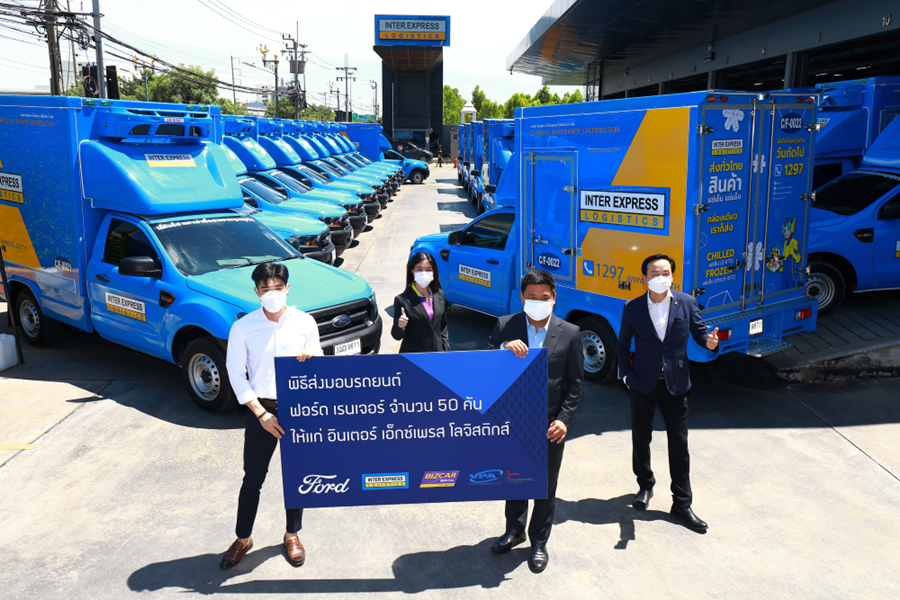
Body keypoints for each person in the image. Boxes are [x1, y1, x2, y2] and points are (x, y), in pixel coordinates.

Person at [220, 263, 323, 569]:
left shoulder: (305, 322)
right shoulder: (243, 327)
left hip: (298, 409)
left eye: (278, 287)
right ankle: (243, 538)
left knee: (297, 476)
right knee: (253, 478)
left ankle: (292, 534)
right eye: (266, 288)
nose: (272, 293)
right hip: (261, 411)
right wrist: (261, 414)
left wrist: (311, 358)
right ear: (257, 292)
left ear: (287, 288)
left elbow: (318, 358)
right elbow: (235, 374)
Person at [487, 269, 583, 573]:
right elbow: (483, 366)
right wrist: (502, 349)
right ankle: (514, 531)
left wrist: (564, 420)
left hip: (550, 425)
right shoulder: (506, 325)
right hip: (513, 422)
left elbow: (575, 383)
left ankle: (538, 541)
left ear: (553, 299)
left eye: (544, 297)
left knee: (544, 485)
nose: (538, 302)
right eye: (532, 297)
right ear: (522, 297)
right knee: (514, 478)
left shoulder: (570, 332)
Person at [616, 254, 719, 533]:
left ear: (672, 276)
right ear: (644, 278)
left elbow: (700, 334)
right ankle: (645, 485)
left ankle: (682, 503)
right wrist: (625, 375)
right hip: (642, 383)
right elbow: (622, 345)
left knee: (679, 444)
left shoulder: (686, 302)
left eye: (666, 273)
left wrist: (710, 342)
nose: (661, 277)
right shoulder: (633, 307)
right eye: (655, 273)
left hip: (676, 384)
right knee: (641, 438)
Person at [391, 252, 449, 353]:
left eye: (428, 269)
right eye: (419, 269)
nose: (424, 273)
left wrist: (445, 347)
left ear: (433, 272)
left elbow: (443, 325)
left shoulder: (439, 295)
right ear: (412, 271)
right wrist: (400, 326)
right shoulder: (402, 300)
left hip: (437, 354)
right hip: (414, 356)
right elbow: (396, 336)